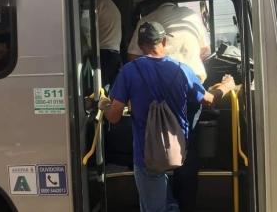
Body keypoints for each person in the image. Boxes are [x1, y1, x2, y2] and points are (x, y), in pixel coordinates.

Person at [98, 21, 235, 212]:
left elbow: (114, 117)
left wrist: (104, 104)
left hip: (147, 156)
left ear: (139, 44)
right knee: (167, 203)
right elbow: (209, 100)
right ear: (163, 41)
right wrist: (226, 86)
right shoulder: (182, 69)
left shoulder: (129, 70)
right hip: (178, 150)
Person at [127, 0, 209, 83]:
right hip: (194, 75)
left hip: (165, 78)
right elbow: (205, 47)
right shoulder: (192, 15)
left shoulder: (146, 21)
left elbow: (133, 56)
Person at [96, 0, 122, 89]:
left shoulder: (95, 1)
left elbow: (85, 27)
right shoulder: (109, 3)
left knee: (101, 94)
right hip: (114, 54)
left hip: (103, 54)